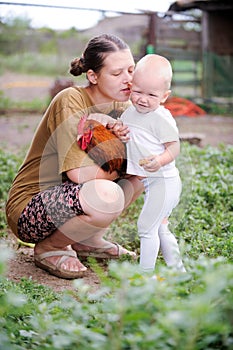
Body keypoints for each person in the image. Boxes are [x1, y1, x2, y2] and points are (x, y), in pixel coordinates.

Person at [5, 34, 144, 279]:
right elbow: (79, 175)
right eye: (117, 73)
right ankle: (51, 246)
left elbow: (148, 153)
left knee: (139, 178)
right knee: (109, 191)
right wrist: (127, 164)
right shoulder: (71, 99)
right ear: (93, 76)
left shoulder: (122, 108)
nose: (128, 79)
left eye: (131, 70)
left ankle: (86, 240)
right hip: (32, 208)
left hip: (72, 197)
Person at [120, 54, 186, 273]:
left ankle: (144, 277)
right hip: (151, 183)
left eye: (151, 95)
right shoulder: (129, 113)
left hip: (164, 181)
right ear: (131, 86)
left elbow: (174, 147)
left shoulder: (161, 117)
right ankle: (179, 272)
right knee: (159, 228)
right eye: (137, 92)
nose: (143, 99)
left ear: (164, 96)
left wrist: (159, 161)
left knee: (146, 227)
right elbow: (127, 135)